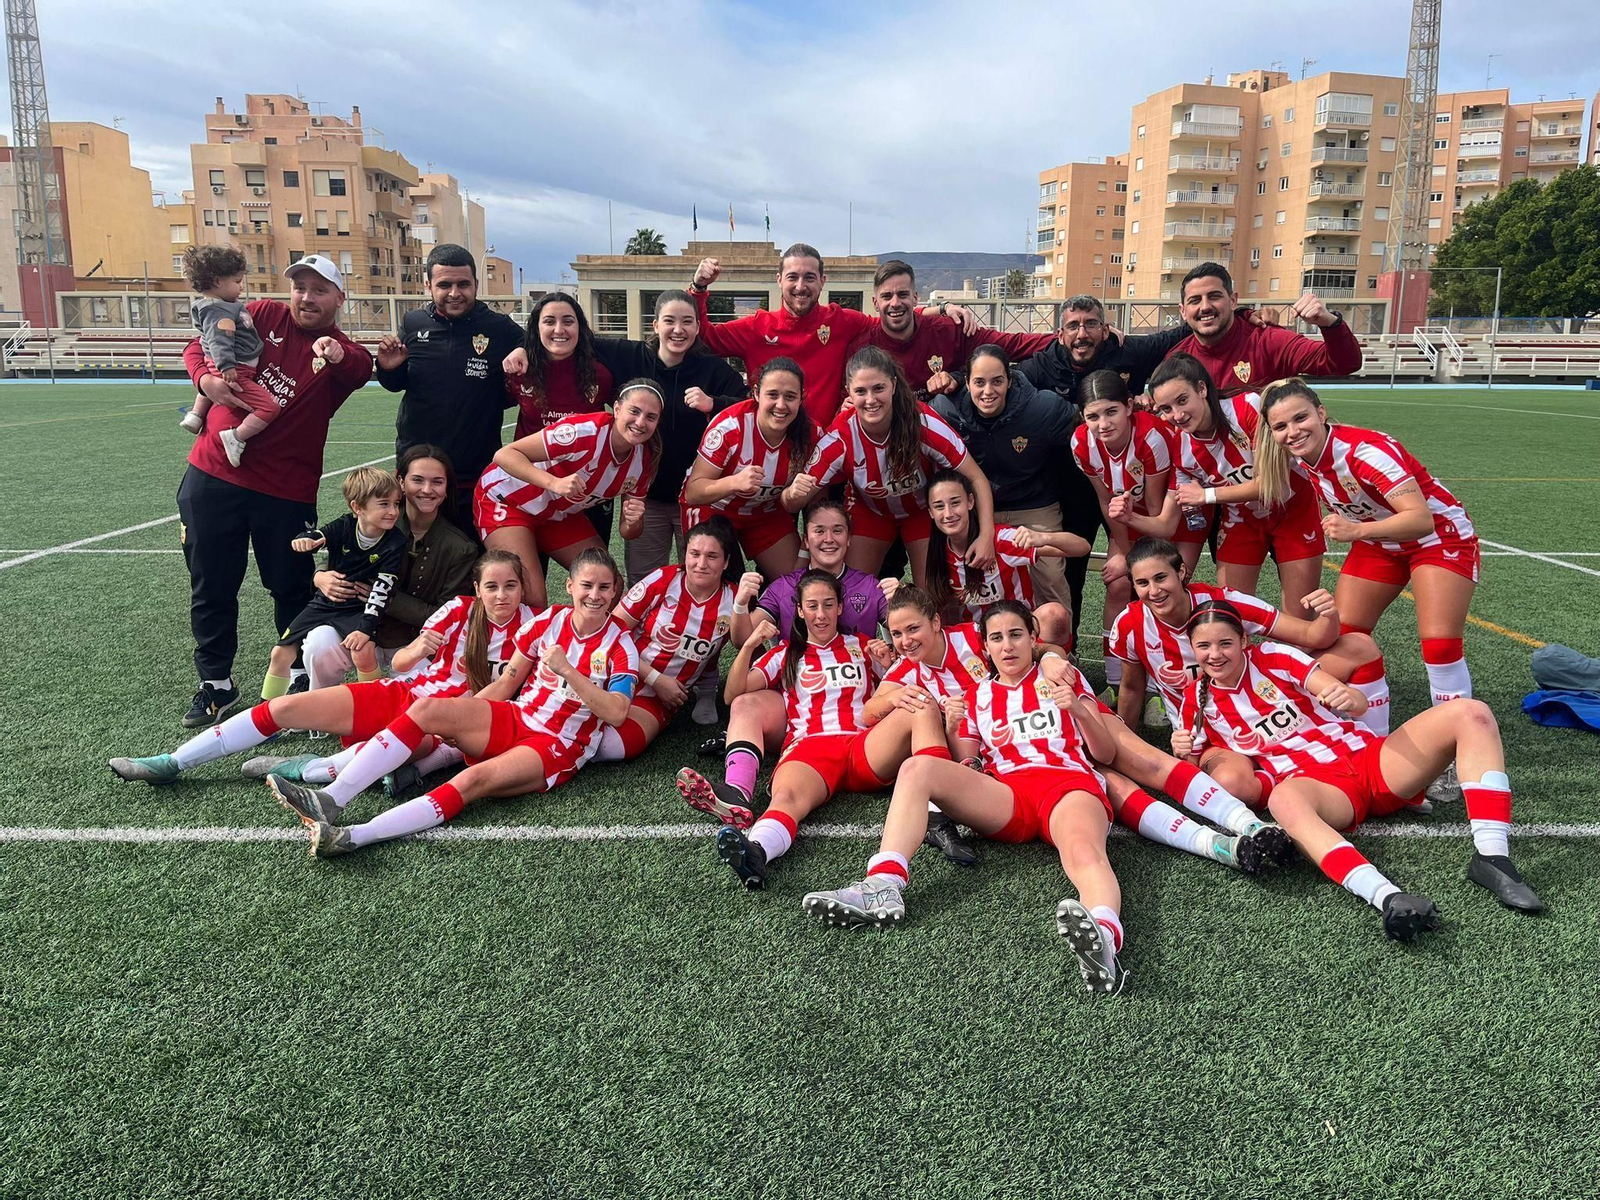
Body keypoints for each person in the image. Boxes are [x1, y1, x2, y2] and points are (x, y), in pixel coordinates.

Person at [801, 601, 1132, 994]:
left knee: (1082, 853)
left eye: (1015, 635)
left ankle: (1105, 940)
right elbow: (970, 764)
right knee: (916, 769)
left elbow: (1106, 755)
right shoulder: (977, 696)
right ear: (986, 647)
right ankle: (882, 884)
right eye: (996, 638)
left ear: (1032, 638)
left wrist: (1076, 708)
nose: (1007, 646)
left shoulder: (1065, 677)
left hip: (1067, 786)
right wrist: (958, 731)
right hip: (1009, 796)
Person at [1176, 600, 1542, 942]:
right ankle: (1386, 897)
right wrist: (1183, 752)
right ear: (1192, 648)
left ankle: (1493, 858)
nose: (1215, 654)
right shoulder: (1194, 701)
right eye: (1204, 646)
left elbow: (1353, 699)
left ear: (1244, 640)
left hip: (1370, 758)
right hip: (1322, 787)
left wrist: (1349, 698)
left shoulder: (1273, 656)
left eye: (1225, 643)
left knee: (1472, 713)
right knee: (1284, 799)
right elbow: (1194, 773)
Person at [269, 548, 638, 857]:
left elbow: (617, 713)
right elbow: (507, 683)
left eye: (605, 588)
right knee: (428, 710)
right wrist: (462, 716)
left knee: (472, 778)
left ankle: (354, 837)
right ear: (570, 586)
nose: (595, 595)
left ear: (615, 592)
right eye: (587, 585)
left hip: (559, 743)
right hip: (518, 715)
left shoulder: (622, 647)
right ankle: (330, 799)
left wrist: (570, 672)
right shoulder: (546, 622)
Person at [108, 551, 531, 789]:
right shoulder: (459, 610)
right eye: (491, 586)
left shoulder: (536, 625)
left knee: (408, 749)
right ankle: (172, 762)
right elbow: (402, 664)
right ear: (477, 589)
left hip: (446, 722)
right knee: (286, 708)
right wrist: (418, 646)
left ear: (522, 587)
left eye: (510, 585)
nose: (501, 595)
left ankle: (305, 768)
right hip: (402, 693)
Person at [177, 254, 372, 728]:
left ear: (339, 298)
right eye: (300, 287)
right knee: (212, 584)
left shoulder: (344, 351)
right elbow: (196, 346)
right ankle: (216, 684)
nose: (307, 297)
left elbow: (360, 368)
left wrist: (339, 352)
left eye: (320, 289)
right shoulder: (259, 314)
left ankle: (300, 672)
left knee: (290, 586)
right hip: (213, 476)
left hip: (286, 489)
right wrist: (204, 379)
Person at [1254, 379, 1480, 771]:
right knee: (1344, 639)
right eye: (1281, 426)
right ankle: (1360, 738)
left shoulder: (1365, 451)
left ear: (1322, 413)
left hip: (1436, 537)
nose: (1293, 432)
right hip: (1380, 542)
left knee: (1440, 646)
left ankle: (1453, 752)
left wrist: (1357, 532)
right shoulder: (1303, 457)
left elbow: (1420, 519)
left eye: (1301, 418)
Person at [1112, 538, 1393, 804]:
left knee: (1359, 646)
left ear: (1181, 571)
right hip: (1210, 729)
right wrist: (1124, 749)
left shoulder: (1225, 604)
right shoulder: (1130, 624)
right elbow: (1133, 687)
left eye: (1161, 578)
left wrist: (1329, 614)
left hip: (1263, 702)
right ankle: (1275, 779)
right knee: (1231, 784)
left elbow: (1311, 635)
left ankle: (1377, 746)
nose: (1154, 591)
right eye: (1142, 583)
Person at [677, 497, 897, 832]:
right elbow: (743, 638)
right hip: (798, 700)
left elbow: (907, 638)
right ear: (805, 540)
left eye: (837, 530)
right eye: (819, 531)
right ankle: (736, 790)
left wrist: (900, 602)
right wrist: (739, 605)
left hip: (857, 701)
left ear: (849, 538)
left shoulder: (869, 585)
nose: (828, 538)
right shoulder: (783, 587)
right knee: (745, 702)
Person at [504, 289, 747, 581]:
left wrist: (714, 404)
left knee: (705, 578)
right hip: (647, 496)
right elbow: (563, 336)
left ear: (698, 327)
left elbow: (751, 407)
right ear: (655, 325)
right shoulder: (628, 355)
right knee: (642, 583)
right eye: (669, 320)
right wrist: (522, 347)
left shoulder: (713, 369)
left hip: (697, 497)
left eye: (687, 322)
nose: (678, 330)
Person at [698, 571, 896, 888]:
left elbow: (897, 685)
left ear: (841, 608)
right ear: (800, 610)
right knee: (787, 797)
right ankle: (756, 852)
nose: (821, 614)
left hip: (865, 745)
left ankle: (940, 803)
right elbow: (733, 695)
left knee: (913, 709)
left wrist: (887, 665)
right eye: (813, 606)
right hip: (813, 749)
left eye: (829, 605)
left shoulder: (862, 645)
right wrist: (749, 645)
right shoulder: (787, 653)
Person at [688, 244, 979, 426]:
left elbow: (889, 318)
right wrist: (698, 289)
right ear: (779, 281)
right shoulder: (756, 328)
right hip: (772, 446)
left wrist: (939, 308)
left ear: (822, 281)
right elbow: (706, 338)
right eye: (793, 277)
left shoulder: (840, 320)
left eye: (809, 277)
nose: (801, 286)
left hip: (827, 449)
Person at [1148, 353, 1325, 620]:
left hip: (1294, 513)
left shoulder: (1248, 408)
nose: (1177, 415)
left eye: (1182, 400)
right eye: (1166, 409)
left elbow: (1273, 484)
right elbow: (1172, 515)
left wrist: (1206, 495)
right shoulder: (1180, 447)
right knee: (1231, 614)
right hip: (1242, 519)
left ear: (1202, 388)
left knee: (1299, 618)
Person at [805, 346, 998, 589]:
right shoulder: (841, 436)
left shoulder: (924, 424)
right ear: (849, 394)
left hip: (920, 511)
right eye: (861, 391)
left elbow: (977, 479)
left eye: (879, 388)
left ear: (894, 386)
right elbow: (802, 496)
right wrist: (792, 495)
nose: (871, 400)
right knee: (851, 593)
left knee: (933, 596)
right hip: (869, 512)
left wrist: (986, 535)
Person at [473, 381, 663, 608]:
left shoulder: (644, 460)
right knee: (531, 599)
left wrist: (634, 521)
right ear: (617, 409)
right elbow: (505, 455)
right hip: (507, 500)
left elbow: (628, 532)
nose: (640, 422)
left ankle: (580, 640)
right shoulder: (584, 432)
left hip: (556, 513)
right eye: (634, 411)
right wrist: (554, 482)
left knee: (609, 583)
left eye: (650, 417)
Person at [303, 445, 478, 690]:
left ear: (447, 488)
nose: (427, 490)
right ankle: (319, 710)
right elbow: (341, 547)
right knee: (318, 644)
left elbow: (446, 615)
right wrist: (319, 575)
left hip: (412, 640)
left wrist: (383, 597)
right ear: (401, 483)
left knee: (416, 704)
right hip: (355, 624)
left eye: (437, 482)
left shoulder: (461, 547)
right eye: (417, 480)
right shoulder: (376, 517)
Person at [378, 244, 527, 517]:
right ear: (428, 285)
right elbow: (397, 383)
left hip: (475, 470)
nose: (455, 293)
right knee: (416, 551)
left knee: (472, 553)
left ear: (476, 285)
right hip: (419, 470)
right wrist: (388, 369)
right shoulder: (413, 323)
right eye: (444, 284)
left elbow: (538, 347)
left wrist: (523, 349)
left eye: (463, 284)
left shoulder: (499, 326)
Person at [931, 344, 1080, 614]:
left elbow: (1087, 426)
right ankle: (960, 649)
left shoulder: (1041, 408)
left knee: (1050, 578)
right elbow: (908, 419)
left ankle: (1061, 650)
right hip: (976, 510)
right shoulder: (947, 409)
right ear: (965, 382)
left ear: (1010, 381)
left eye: (997, 381)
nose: (988, 392)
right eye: (979, 382)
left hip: (1034, 505)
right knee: (958, 578)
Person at [1070, 370, 1173, 716]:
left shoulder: (1152, 437)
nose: (1103, 424)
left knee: (1163, 586)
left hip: (1167, 521)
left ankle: (1162, 685)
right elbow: (1106, 501)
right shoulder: (1081, 443)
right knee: (1117, 582)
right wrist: (1123, 551)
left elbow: (1159, 516)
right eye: (1093, 416)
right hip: (1125, 521)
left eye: (1111, 411)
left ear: (1129, 406)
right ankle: (1115, 681)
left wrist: (1132, 558)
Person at [261, 466, 406, 702]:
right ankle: (267, 716)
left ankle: (375, 711)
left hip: (357, 609)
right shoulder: (345, 525)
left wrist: (364, 629)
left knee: (363, 651)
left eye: (396, 504)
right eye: (384, 504)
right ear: (357, 508)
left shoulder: (395, 542)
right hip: (324, 604)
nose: (393, 511)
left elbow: (382, 591)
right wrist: (304, 541)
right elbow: (318, 535)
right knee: (280, 652)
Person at [603, 518, 738, 750]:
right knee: (572, 720)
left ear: (725, 562)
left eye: (712, 556)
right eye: (694, 554)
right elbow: (609, 631)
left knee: (615, 747)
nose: (701, 563)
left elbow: (716, 655)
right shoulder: (664, 580)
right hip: (614, 673)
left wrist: (706, 694)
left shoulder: (734, 600)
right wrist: (656, 679)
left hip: (659, 700)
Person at [681, 357, 814, 580]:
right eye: (772, 395)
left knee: (799, 581)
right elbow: (693, 492)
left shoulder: (809, 434)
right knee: (715, 584)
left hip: (763, 512)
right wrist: (734, 482)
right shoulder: (730, 427)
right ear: (756, 394)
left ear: (802, 398)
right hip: (714, 509)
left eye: (790, 397)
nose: (781, 405)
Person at [922, 468, 1086, 648]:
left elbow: (1081, 547)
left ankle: (1052, 663)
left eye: (955, 503)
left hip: (1017, 635)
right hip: (977, 641)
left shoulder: (1001, 540)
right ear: (930, 512)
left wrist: (1044, 537)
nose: (948, 513)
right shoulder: (935, 553)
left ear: (970, 501)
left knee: (1055, 614)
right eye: (939, 506)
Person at [846, 260, 1054, 397]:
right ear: (875, 303)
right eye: (886, 296)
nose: (895, 303)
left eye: (902, 294)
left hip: (947, 436)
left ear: (916, 298)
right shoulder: (862, 350)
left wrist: (1063, 340)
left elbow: (1012, 344)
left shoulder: (950, 330)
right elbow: (848, 398)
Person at [1170, 263, 1363, 395]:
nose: (1205, 307)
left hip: (1265, 455)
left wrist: (1330, 323)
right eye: (1195, 300)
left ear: (1233, 301)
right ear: (1183, 311)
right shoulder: (1176, 358)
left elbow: (1345, 363)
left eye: (1214, 296)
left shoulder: (1268, 340)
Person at [179, 244, 276, 468]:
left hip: (225, 367)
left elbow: (205, 345)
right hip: (237, 369)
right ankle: (236, 437)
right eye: (237, 281)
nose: (241, 288)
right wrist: (227, 367)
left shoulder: (220, 306)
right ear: (217, 281)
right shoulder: (219, 310)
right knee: (270, 408)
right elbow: (219, 340)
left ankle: (196, 414)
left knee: (212, 382)